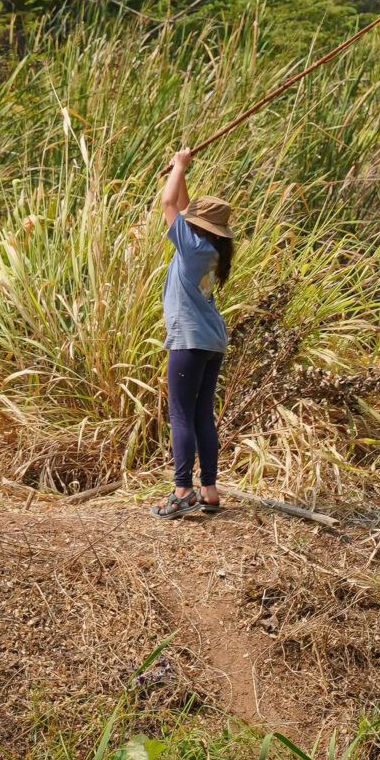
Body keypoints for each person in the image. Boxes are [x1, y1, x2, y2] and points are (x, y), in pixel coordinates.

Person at [154, 151, 234, 520]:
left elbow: (168, 202)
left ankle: (183, 490)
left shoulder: (191, 246)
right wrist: (179, 171)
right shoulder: (210, 249)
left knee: (182, 415)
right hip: (211, 339)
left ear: (198, 226)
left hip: (189, 339)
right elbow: (183, 206)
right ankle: (210, 490)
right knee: (202, 414)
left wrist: (180, 164)